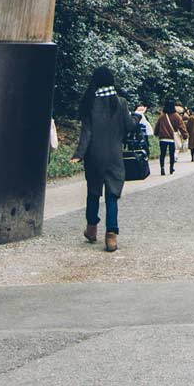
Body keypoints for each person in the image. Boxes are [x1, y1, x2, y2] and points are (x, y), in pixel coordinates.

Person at [74, 66, 133, 252]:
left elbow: (86, 133)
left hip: (94, 155)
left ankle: (92, 228)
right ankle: (111, 236)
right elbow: (130, 127)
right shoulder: (120, 102)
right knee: (112, 196)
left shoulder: (90, 102)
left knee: (93, 192)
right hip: (114, 156)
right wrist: (139, 116)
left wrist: (79, 154)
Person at [154, 104, 181, 175]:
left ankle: (162, 168)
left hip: (162, 138)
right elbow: (181, 126)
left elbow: (157, 126)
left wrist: (156, 133)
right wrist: (185, 135)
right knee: (171, 154)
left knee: (162, 154)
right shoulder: (176, 116)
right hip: (172, 138)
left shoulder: (162, 116)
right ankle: (171, 168)